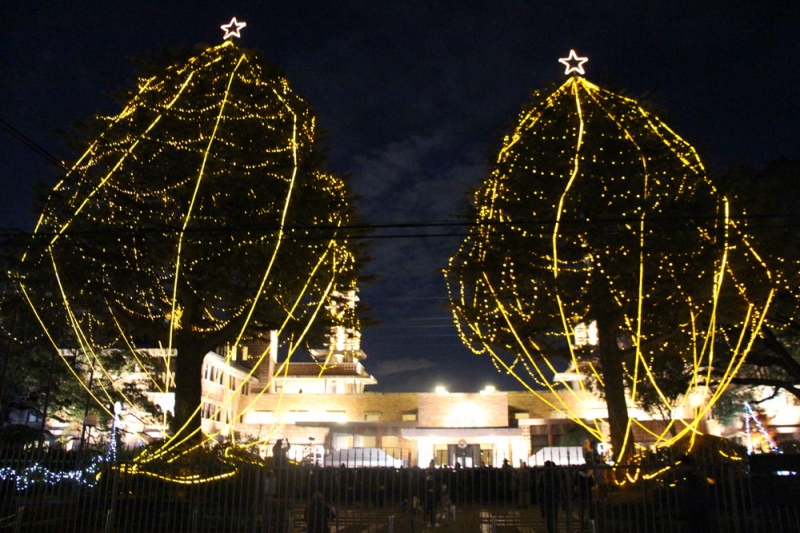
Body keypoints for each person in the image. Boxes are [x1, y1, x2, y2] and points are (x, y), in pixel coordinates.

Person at [537, 461, 562, 533]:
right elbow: (559, 486)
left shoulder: (543, 475)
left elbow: (539, 487)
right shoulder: (555, 475)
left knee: (547, 515)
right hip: (553, 497)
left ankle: (550, 529)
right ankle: (553, 528)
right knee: (553, 515)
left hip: (546, 497)